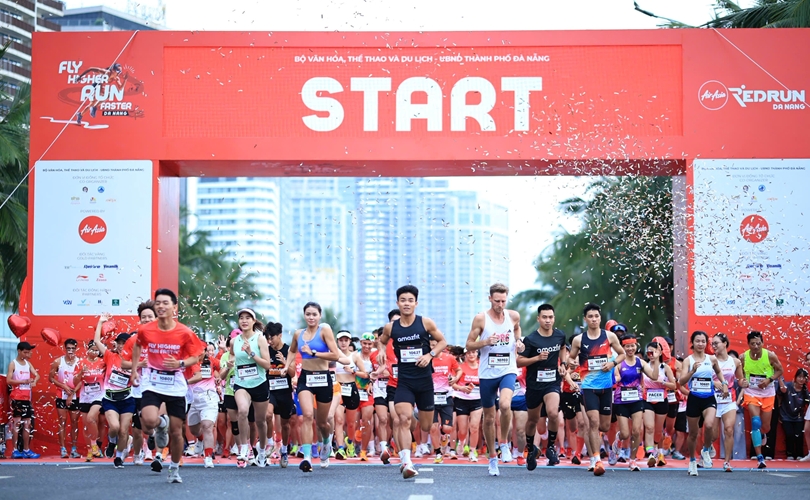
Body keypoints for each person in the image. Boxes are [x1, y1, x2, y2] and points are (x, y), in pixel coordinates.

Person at [130, 288, 204, 483]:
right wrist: (134, 370)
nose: (161, 306)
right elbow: (137, 346)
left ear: (174, 307)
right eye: (158, 303)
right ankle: (161, 423)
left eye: (165, 303)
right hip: (152, 380)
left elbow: (196, 356)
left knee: (177, 432)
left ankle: (174, 469)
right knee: (148, 422)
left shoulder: (185, 332)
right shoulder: (146, 329)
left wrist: (180, 363)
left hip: (175, 383)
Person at [377, 285, 448, 479]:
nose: (406, 304)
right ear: (397, 303)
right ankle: (406, 462)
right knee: (402, 419)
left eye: (410, 300)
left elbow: (443, 341)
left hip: (424, 382)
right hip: (404, 381)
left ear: (416, 303)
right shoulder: (391, 327)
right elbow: (382, 340)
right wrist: (382, 351)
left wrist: (430, 355)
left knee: (425, 426)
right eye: (403, 300)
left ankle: (416, 414)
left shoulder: (425, 322)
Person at [464, 283, 523, 476]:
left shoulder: (513, 316)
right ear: (490, 299)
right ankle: (492, 457)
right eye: (497, 301)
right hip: (487, 373)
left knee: (505, 405)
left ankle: (504, 443)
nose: (500, 305)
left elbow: (517, 330)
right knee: (489, 418)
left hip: (508, 369)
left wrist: (519, 342)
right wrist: (486, 342)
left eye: (503, 301)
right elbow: (468, 344)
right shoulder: (481, 318)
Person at [566, 303, 626, 476]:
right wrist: (571, 365)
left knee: (604, 426)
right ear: (585, 319)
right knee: (593, 422)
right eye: (590, 316)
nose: (594, 319)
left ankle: (613, 443)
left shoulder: (609, 336)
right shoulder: (579, 340)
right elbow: (571, 359)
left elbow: (622, 354)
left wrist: (612, 363)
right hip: (588, 387)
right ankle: (596, 459)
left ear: (600, 318)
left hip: (606, 387)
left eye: (596, 316)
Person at [285, 301, 341, 472]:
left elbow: (335, 355)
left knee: (323, 423)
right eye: (308, 314)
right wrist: (287, 365)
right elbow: (292, 351)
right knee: (307, 416)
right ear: (304, 315)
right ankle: (307, 458)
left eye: (314, 314)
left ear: (319, 316)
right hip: (306, 379)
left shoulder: (324, 330)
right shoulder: (298, 334)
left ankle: (326, 443)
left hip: (323, 378)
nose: (311, 317)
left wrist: (314, 353)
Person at [518, 303, 566, 471]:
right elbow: (519, 361)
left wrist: (563, 363)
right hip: (534, 384)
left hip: (552, 382)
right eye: (544, 317)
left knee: (553, 412)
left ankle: (551, 447)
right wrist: (536, 358)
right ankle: (531, 449)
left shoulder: (560, 335)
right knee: (532, 420)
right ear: (538, 318)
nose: (548, 320)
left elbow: (563, 348)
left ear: (554, 318)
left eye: (550, 317)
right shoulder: (531, 339)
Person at [678, 331, 729, 477]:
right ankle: (692, 461)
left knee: (709, 425)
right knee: (693, 433)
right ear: (692, 343)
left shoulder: (711, 359)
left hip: (709, 398)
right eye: (697, 341)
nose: (700, 344)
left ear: (706, 343)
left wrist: (724, 383)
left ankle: (706, 450)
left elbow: (718, 372)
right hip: (694, 399)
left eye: (703, 341)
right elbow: (681, 382)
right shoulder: (688, 361)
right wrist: (692, 371)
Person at [610, 335, 662, 471]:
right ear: (622, 347)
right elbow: (615, 378)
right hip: (621, 400)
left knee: (636, 431)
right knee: (625, 433)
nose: (630, 348)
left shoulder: (640, 362)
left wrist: (656, 360)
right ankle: (618, 440)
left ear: (636, 346)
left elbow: (654, 376)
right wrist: (615, 377)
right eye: (627, 346)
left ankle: (632, 460)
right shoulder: (619, 362)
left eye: (632, 346)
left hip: (636, 400)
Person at [229, 308, 272, 468]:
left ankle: (262, 451)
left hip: (259, 383)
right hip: (241, 383)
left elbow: (267, 365)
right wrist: (229, 363)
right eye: (241, 318)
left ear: (254, 321)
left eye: (248, 318)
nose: (244, 321)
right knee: (242, 411)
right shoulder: (234, 341)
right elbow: (232, 356)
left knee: (260, 421)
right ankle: (244, 447)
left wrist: (251, 353)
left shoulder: (260, 339)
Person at [93, 315, 135, 468]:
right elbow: (97, 342)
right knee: (115, 427)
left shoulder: (134, 360)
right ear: (116, 344)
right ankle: (111, 442)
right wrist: (100, 322)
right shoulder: (110, 356)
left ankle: (119, 457)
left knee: (124, 431)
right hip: (110, 399)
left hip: (127, 399)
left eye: (125, 343)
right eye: (120, 343)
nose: (122, 346)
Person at [120, 301, 157, 465]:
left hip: (155, 388)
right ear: (139, 319)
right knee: (136, 428)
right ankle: (137, 454)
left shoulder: (163, 338)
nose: (147, 319)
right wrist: (139, 364)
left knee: (148, 425)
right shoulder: (133, 340)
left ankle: (153, 436)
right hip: (136, 389)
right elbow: (123, 363)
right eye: (144, 317)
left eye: (150, 316)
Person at [740, 330, 784, 469]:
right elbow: (739, 374)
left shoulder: (770, 355)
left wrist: (769, 380)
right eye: (753, 344)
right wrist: (742, 381)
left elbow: (780, 370)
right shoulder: (743, 357)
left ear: (763, 343)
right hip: (751, 392)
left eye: (758, 343)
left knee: (765, 427)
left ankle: (763, 434)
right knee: (755, 422)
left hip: (767, 393)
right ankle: (760, 458)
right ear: (748, 344)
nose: (756, 346)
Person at [710, 333, 745, 472]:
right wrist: (715, 383)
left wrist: (744, 382)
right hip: (713, 399)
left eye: (716, 343)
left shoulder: (735, 362)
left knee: (729, 430)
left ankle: (727, 462)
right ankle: (706, 449)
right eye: (712, 344)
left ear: (725, 344)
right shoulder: (710, 360)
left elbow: (740, 380)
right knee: (713, 434)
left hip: (729, 399)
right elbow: (703, 378)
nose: (714, 346)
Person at [642, 340, 676, 468]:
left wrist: (663, 383)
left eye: (654, 352)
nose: (651, 354)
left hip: (662, 399)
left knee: (658, 430)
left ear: (660, 352)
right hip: (647, 400)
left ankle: (660, 452)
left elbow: (674, 385)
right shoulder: (644, 366)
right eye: (649, 352)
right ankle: (651, 453)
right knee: (649, 427)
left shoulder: (665, 367)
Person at [186, 343, 221, 468]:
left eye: (202, 350)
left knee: (207, 426)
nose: (200, 353)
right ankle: (200, 440)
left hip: (209, 397)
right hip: (193, 399)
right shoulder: (189, 362)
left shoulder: (211, 361)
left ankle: (208, 457)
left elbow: (222, 367)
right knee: (194, 430)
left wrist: (222, 374)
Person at [264, 321, 294, 468]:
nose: (270, 341)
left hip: (285, 391)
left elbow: (293, 373)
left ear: (280, 335)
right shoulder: (266, 350)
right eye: (268, 338)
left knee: (285, 424)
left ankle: (284, 450)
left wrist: (285, 363)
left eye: (272, 338)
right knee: (268, 415)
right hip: (270, 389)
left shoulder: (289, 350)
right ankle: (270, 443)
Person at [429, 336, 461, 464]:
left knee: (447, 428)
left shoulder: (449, 358)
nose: (433, 347)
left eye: (435, 344)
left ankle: (444, 435)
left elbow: (459, 370)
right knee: (433, 427)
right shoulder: (426, 358)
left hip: (446, 395)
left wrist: (456, 378)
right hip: (430, 396)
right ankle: (438, 453)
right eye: (431, 345)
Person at [6, 342, 40, 459]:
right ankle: (15, 450)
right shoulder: (13, 364)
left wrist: (35, 381)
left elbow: (37, 375)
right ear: (19, 351)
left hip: (27, 398)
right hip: (17, 398)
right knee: (17, 424)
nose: (27, 354)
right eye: (25, 352)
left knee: (27, 424)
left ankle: (26, 449)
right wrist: (23, 381)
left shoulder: (28, 364)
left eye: (28, 352)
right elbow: (8, 380)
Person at [73, 340, 105, 461]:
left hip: (99, 396)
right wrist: (81, 372)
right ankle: (90, 450)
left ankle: (94, 444)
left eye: (97, 350)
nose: (94, 352)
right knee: (86, 426)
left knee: (91, 418)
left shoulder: (103, 362)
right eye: (92, 349)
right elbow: (75, 382)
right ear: (88, 349)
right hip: (85, 396)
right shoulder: (81, 363)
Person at [50, 338, 81, 458]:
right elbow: (51, 378)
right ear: (65, 348)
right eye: (68, 348)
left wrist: (72, 393)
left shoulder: (80, 362)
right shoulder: (58, 362)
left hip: (75, 395)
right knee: (62, 421)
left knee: (74, 422)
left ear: (76, 348)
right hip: (61, 395)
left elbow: (82, 380)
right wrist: (62, 385)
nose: (70, 351)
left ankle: (74, 449)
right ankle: (63, 449)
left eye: (73, 348)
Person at [453, 349, 483, 463]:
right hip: (462, 399)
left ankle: (472, 451)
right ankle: (461, 442)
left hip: (477, 400)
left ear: (477, 353)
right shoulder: (460, 367)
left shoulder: (482, 366)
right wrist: (462, 388)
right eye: (469, 353)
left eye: (474, 352)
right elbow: (452, 383)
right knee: (462, 430)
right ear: (465, 354)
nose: (471, 355)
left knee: (474, 427)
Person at [334, 330, 360, 460]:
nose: (343, 343)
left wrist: (353, 371)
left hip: (351, 388)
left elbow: (365, 374)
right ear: (337, 341)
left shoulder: (355, 356)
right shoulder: (333, 355)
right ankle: (340, 448)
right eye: (341, 340)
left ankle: (350, 442)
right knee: (339, 420)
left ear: (350, 341)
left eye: (346, 340)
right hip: (337, 389)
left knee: (350, 423)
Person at [352, 333, 377, 461]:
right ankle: (353, 446)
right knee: (354, 423)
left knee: (367, 422)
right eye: (364, 343)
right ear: (361, 343)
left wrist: (372, 383)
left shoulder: (375, 356)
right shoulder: (354, 355)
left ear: (373, 344)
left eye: (369, 344)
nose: (367, 346)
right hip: (355, 392)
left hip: (368, 393)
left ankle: (364, 450)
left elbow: (379, 373)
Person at [778, 368, 808, 460]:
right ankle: (790, 454)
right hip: (786, 415)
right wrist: (779, 379)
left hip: (799, 417)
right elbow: (782, 390)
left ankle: (800, 454)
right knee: (789, 434)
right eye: (799, 377)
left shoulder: (805, 390)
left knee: (799, 435)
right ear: (795, 377)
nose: (801, 379)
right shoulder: (788, 385)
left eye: (803, 377)